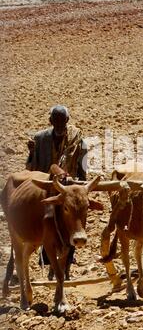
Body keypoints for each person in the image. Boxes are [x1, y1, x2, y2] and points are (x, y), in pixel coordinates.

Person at [26, 105, 88, 279]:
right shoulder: (40, 139)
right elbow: (30, 168)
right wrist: (31, 153)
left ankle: (67, 263)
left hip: (68, 188)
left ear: (67, 121)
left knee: (73, 223)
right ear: (51, 121)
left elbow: (82, 166)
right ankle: (49, 260)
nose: (60, 124)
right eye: (56, 120)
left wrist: (82, 184)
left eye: (63, 120)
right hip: (47, 185)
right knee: (47, 222)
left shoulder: (78, 139)